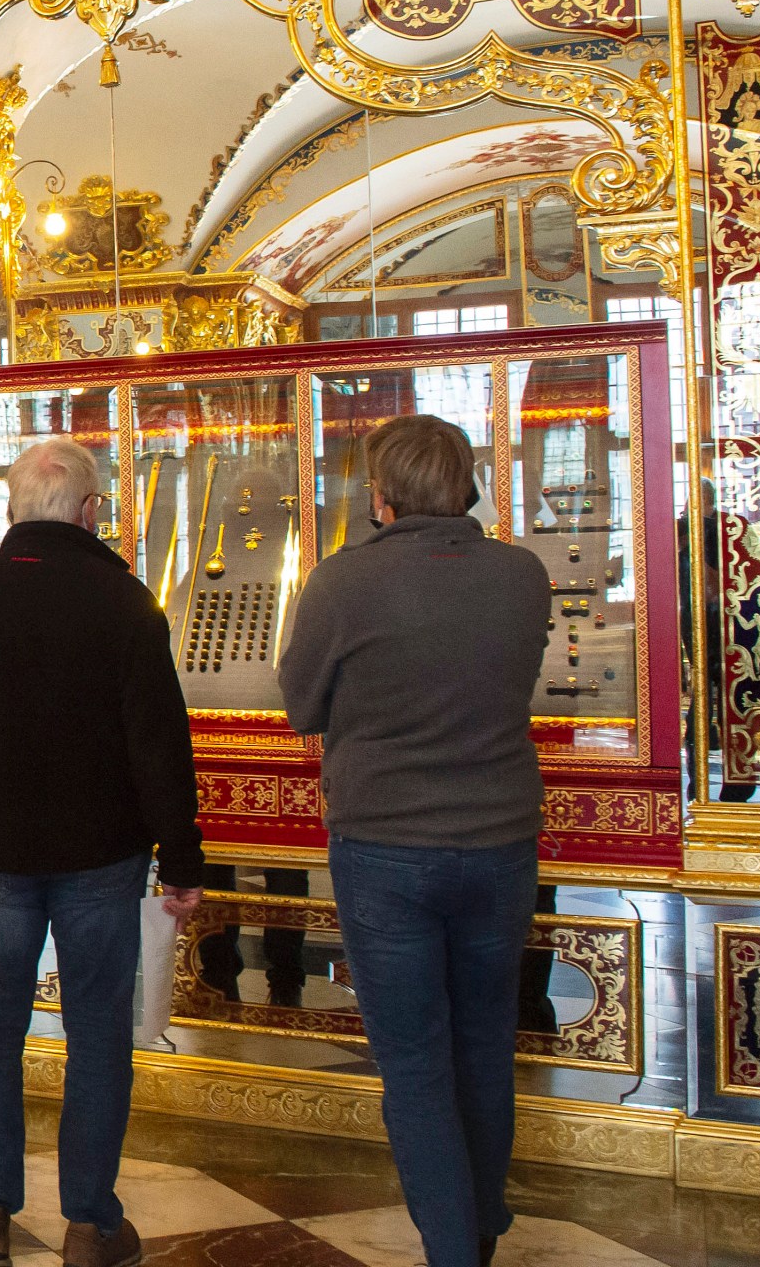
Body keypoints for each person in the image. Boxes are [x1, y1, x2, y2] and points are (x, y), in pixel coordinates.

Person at [0, 438, 205, 1267]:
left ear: (12, 510)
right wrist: (183, 860)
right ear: (90, 513)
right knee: (97, 1031)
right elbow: (160, 744)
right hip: (99, 852)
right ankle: (91, 1224)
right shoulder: (123, 603)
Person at [278, 415, 547, 1267]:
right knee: (483, 1045)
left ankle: (452, 1250)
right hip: (500, 838)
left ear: (379, 494)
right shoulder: (521, 573)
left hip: (385, 844)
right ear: (466, 484)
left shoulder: (342, 582)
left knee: (415, 1062)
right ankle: (478, 1228)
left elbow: (300, 707)